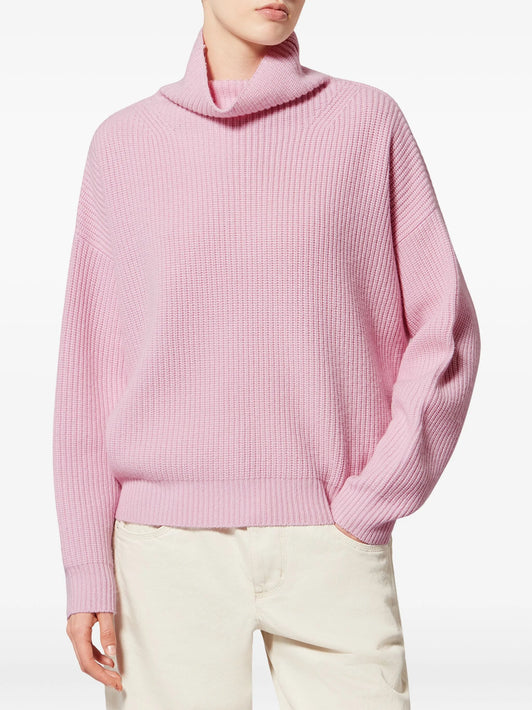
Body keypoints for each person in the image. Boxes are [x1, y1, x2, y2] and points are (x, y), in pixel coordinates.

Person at [52, 1, 481, 708]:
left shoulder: (366, 124)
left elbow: (446, 333)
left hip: (333, 536)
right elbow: (89, 374)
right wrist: (86, 569)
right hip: (162, 552)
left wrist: (373, 500)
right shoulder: (124, 144)